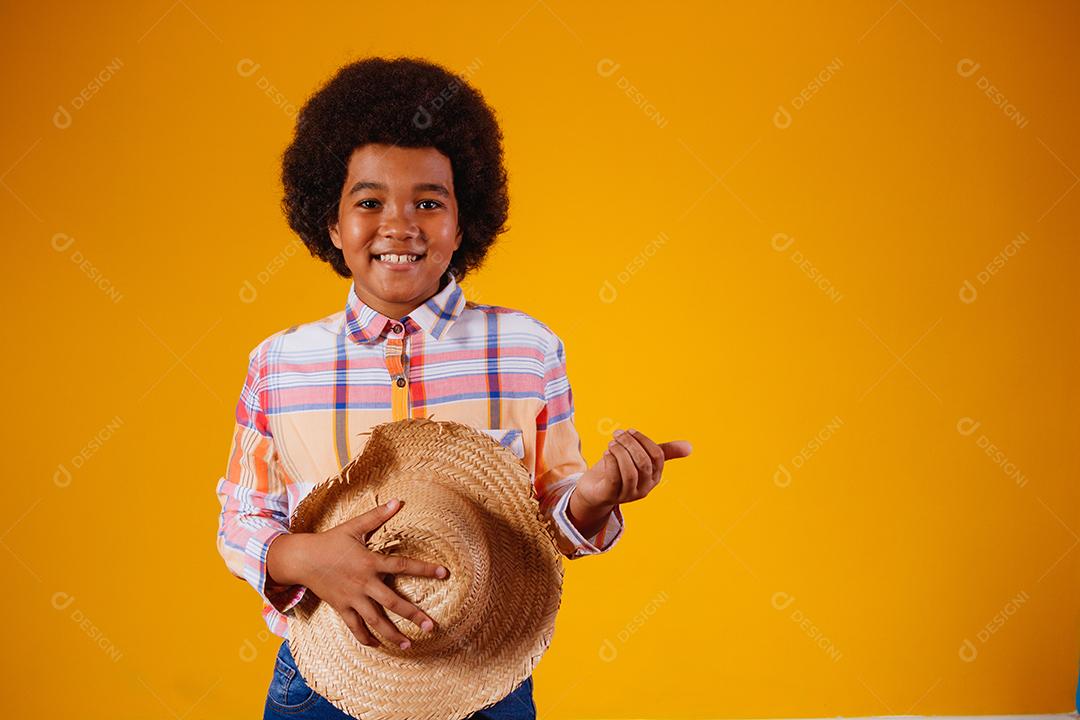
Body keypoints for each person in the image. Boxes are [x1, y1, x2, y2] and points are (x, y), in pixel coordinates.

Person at [214, 56, 693, 720]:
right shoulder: (280, 363)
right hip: (320, 679)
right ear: (331, 222)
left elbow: (549, 517)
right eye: (370, 201)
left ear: (465, 221)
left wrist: (594, 496)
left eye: (429, 202)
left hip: (484, 671)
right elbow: (242, 513)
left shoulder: (525, 350)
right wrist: (302, 556)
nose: (400, 225)